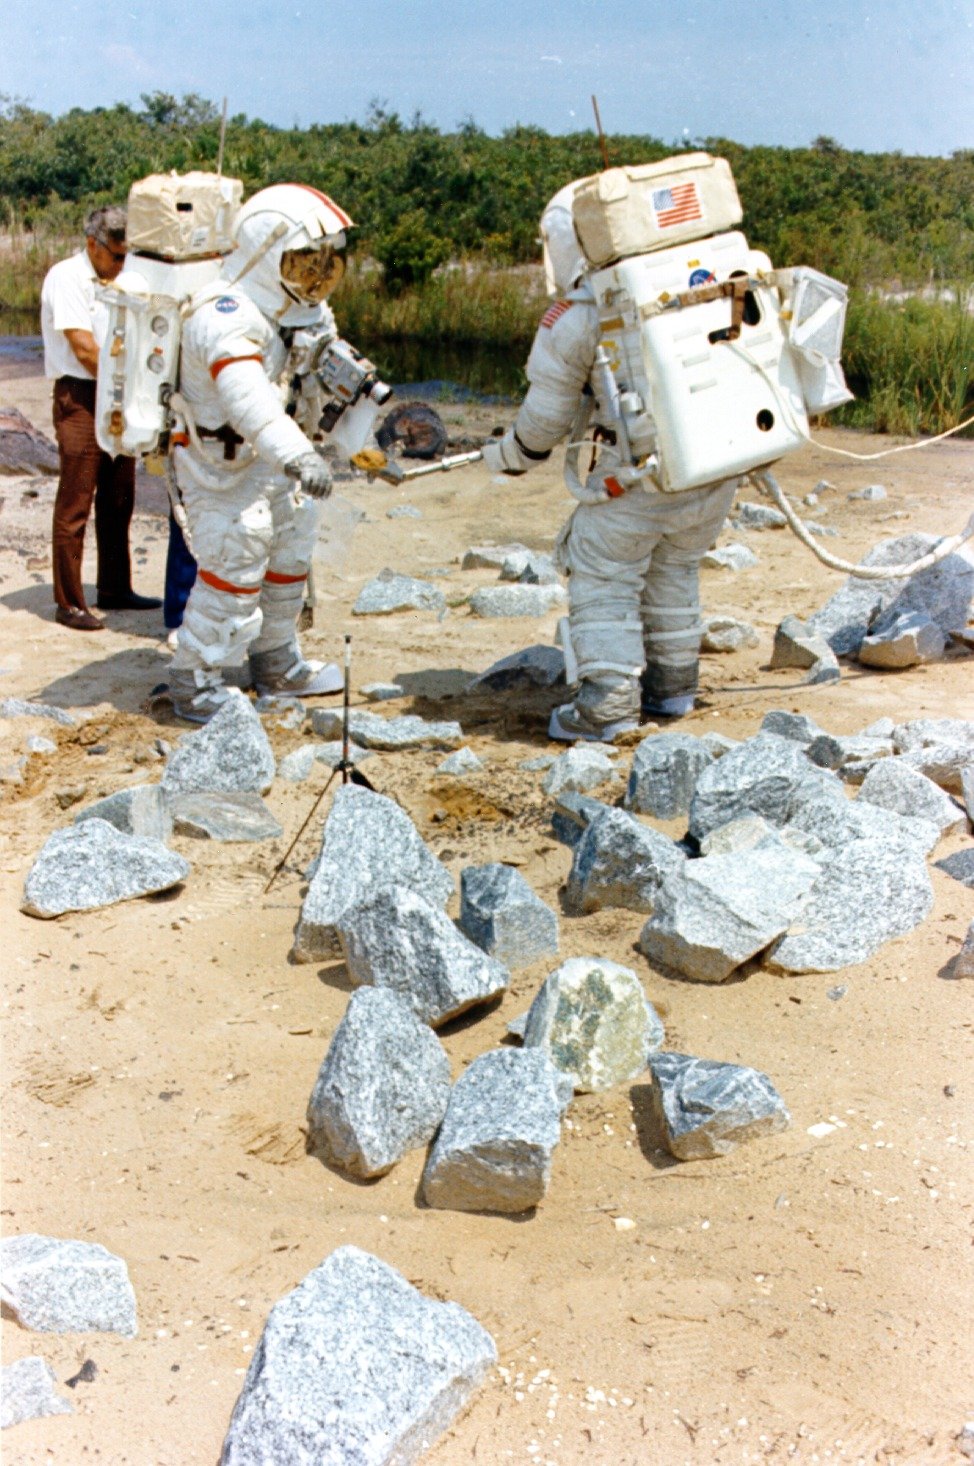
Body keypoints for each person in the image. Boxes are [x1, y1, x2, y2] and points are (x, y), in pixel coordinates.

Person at [482, 183, 738, 742]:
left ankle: (608, 704)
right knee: (673, 568)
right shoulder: (708, 277)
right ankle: (673, 687)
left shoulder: (582, 311)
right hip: (716, 467)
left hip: (642, 472)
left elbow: (543, 424)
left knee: (603, 567)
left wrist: (506, 454)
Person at [166, 183, 353, 722]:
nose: (315, 277)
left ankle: (276, 660)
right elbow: (249, 400)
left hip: (269, 457)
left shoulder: (300, 311)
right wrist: (300, 455)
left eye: (326, 264)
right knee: (237, 549)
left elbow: (315, 376)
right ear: (265, 255)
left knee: (293, 541)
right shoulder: (223, 314)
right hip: (216, 463)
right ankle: (194, 679)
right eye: (303, 262)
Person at [40, 206, 162, 631]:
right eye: (116, 255)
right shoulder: (67, 277)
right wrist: (131, 383)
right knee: (76, 500)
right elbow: (84, 348)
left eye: (128, 255)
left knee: (119, 496)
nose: (122, 264)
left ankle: (115, 587)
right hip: (81, 395)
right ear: (93, 244)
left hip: (117, 392)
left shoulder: (122, 279)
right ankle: (69, 602)